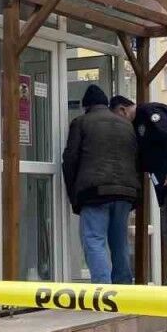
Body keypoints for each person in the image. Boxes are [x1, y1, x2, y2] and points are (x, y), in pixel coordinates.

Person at [110, 95, 167, 286]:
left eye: (117, 117)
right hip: (164, 181)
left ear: (123, 110)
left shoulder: (150, 112)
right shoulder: (136, 125)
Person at [62, 84, 140, 285]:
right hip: (125, 192)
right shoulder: (126, 125)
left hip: (94, 191)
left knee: (94, 240)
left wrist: (74, 195)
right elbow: (136, 159)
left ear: (86, 106)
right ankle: (123, 287)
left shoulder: (81, 122)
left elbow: (70, 159)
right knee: (119, 242)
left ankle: (102, 290)